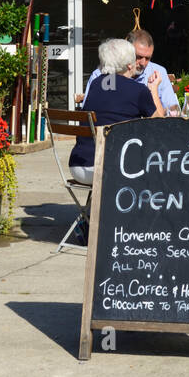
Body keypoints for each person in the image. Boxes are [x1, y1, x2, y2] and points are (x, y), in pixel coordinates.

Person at [68, 39, 165, 244]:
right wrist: (154, 89)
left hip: (78, 167)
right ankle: (136, 228)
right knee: (155, 165)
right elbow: (160, 123)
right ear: (130, 65)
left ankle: (88, 222)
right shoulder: (137, 91)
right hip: (108, 169)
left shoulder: (96, 84)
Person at [78, 28, 180, 115]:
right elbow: (92, 113)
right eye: (138, 57)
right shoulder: (102, 75)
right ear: (128, 53)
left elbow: (172, 107)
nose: (143, 63)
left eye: (148, 58)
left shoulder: (158, 72)